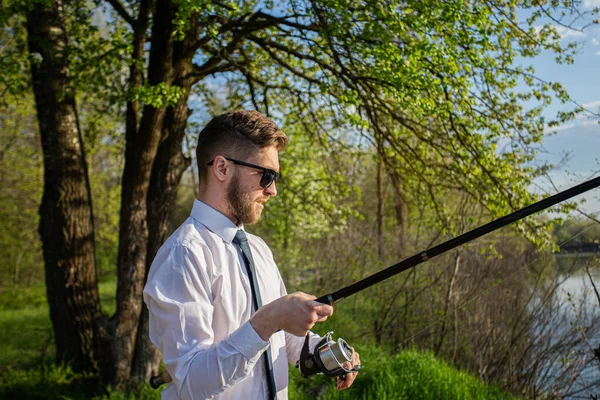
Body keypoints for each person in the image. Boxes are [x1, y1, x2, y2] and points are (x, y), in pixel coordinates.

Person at [143, 110, 359, 400]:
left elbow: (282, 339)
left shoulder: (258, 249)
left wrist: (321, 351)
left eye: (275, 178)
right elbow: (192, 382)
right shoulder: (183, 255)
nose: (273, 191)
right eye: (265, 176)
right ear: (221, 168)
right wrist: (269, 319)